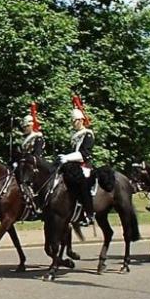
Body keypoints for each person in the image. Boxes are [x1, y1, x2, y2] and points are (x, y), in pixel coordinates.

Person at [56, 95, 94, 226]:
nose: (73, 124)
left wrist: (67, 158)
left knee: (82, 185)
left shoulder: (87, 134)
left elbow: (84, 154)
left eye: (74, 121)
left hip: (84, 165)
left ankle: (88, 213)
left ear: (80, 120)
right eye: (72, 121)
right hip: (73, 165)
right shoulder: (74, 136)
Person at [16, 104, 45, 215]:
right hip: (23, 165)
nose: (24, 128)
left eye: (25, 126)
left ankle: (35, 205)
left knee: (28, 182)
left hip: (33, 166)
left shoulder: (38, 137)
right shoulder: (25, 139)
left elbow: (37, 155)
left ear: (31, 126)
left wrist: (24, 158)